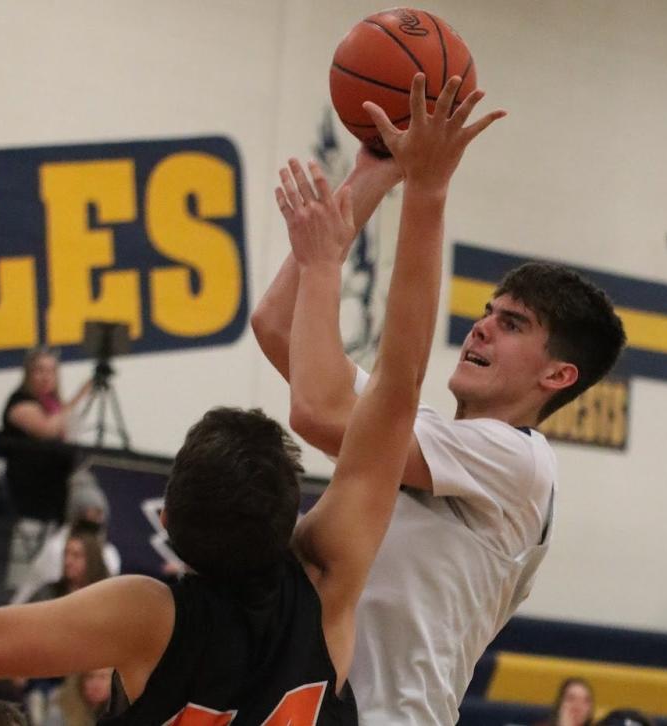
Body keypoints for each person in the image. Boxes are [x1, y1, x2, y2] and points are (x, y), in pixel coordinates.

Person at [0, 72, 500, 724]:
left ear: (164, 527)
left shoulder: (146, 618)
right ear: (293, 519)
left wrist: (383, 185)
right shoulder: (329, 585)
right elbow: (399, 385)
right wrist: (425, 186)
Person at [252, 90, 626, 726]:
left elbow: (317, 410)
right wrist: (375, 171)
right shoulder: (423, 434)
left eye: (510, 324)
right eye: (486, 313)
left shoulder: (519, 463)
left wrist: (425, 190)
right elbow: (278, 326)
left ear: (558, 374)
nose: (480, 328)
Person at [0, 348, 91, 523]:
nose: (46, 376)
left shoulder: (52, 404)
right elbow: (47, 430)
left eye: (51, 371)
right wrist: (80, 396)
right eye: (40, 370)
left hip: (57, 480)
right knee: (88, 497)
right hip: (31, 486)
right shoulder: (20, 402)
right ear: (28, 374)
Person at [11, 473, 121, 605]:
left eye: (99, 513)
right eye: (90, 513)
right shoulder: (56, 548)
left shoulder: (109, 553)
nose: (69, 561)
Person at [27, 526, 109, 603]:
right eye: (66, 554)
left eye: (76, 555)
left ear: (92, 560)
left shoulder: (106, 596)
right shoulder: (48, 594)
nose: (68, 561)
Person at [43, 668, 112, 726]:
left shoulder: (119, 710)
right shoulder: (59, 711)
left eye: (103, 677)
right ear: (80, 682)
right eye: (90, 677)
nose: (96, 685)